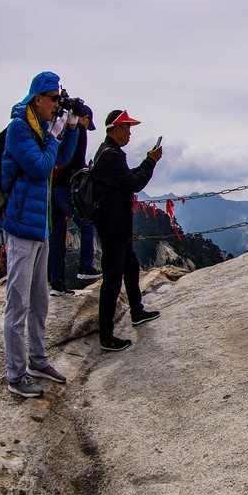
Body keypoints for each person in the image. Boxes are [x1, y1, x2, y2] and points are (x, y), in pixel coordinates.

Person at [1, 71, 80, 397]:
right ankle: (16, 374)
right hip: (20, 228)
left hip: (40, 228)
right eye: (54, 99)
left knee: (39, 302)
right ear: (38, 98)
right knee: (17, 305)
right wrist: (54, 134)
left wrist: (71, 127)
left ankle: (37, 360)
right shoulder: (20, 128)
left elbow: (61, 159)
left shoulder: (42, 129)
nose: (57, 105)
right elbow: (39, 167)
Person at [91, 109, 163, 353]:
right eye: (128, 127)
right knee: (112, 279)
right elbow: (134, 183)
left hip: (115, 224)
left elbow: (125, 179)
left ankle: (137, 311)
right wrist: (150, 161)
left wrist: (146, 162)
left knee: (130, 268)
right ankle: (106, 336)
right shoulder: (111, 155)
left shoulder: (107, 153)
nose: (131, 132)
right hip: (114, 227)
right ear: (117, 128)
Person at [49, 107, 101, 294]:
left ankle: (56, 283)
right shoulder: (79, 131)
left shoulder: (62, 129)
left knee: (56, 238)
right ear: (85, 118)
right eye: (88, 122)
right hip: (66, 189)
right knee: (86, 224)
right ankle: (85, 268)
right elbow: (77, 161)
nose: (88, 127)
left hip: (52, 188)